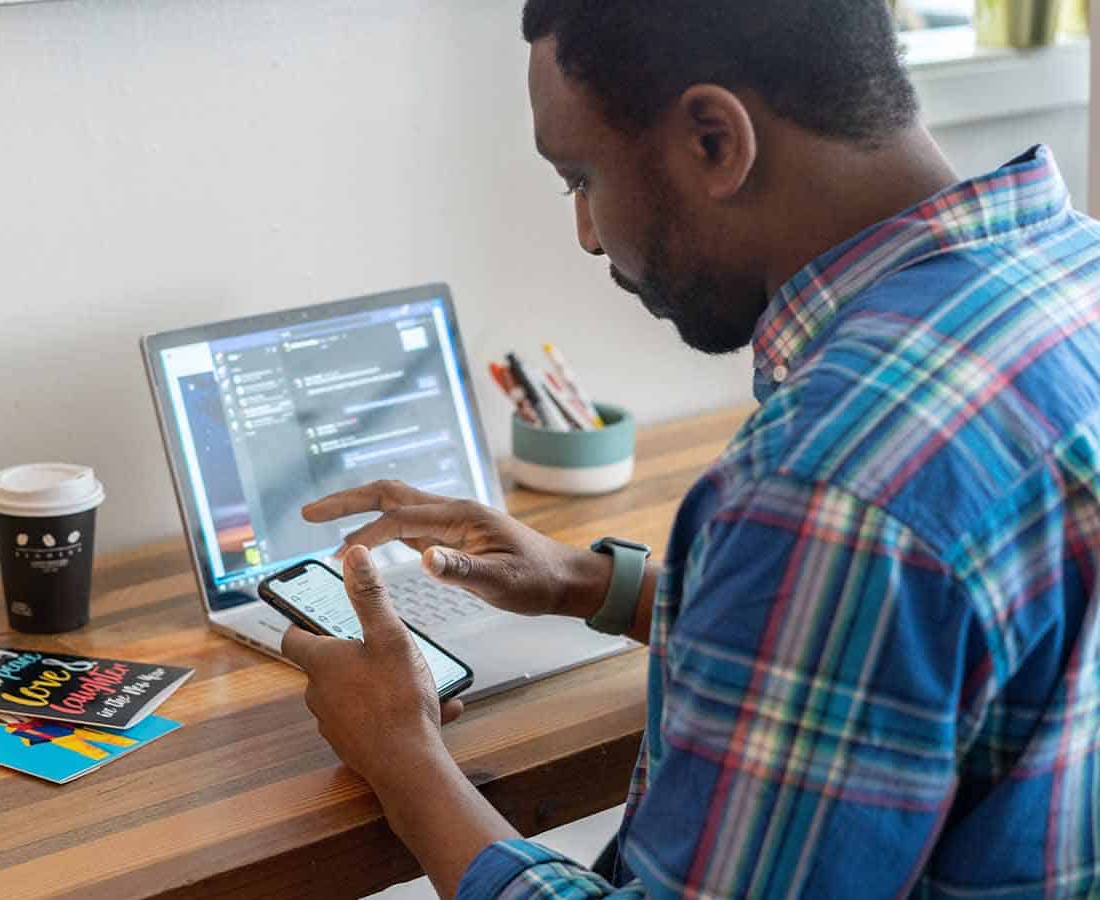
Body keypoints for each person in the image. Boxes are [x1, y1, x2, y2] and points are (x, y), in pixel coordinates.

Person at [280, 1, 1100, 898]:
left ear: (715, 139)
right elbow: (924, 653)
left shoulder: (826, 483)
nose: (588, 234)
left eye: (580, 178)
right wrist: (591, 584)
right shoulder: (1074, 275)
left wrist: (403, 759)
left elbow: (859, 550)